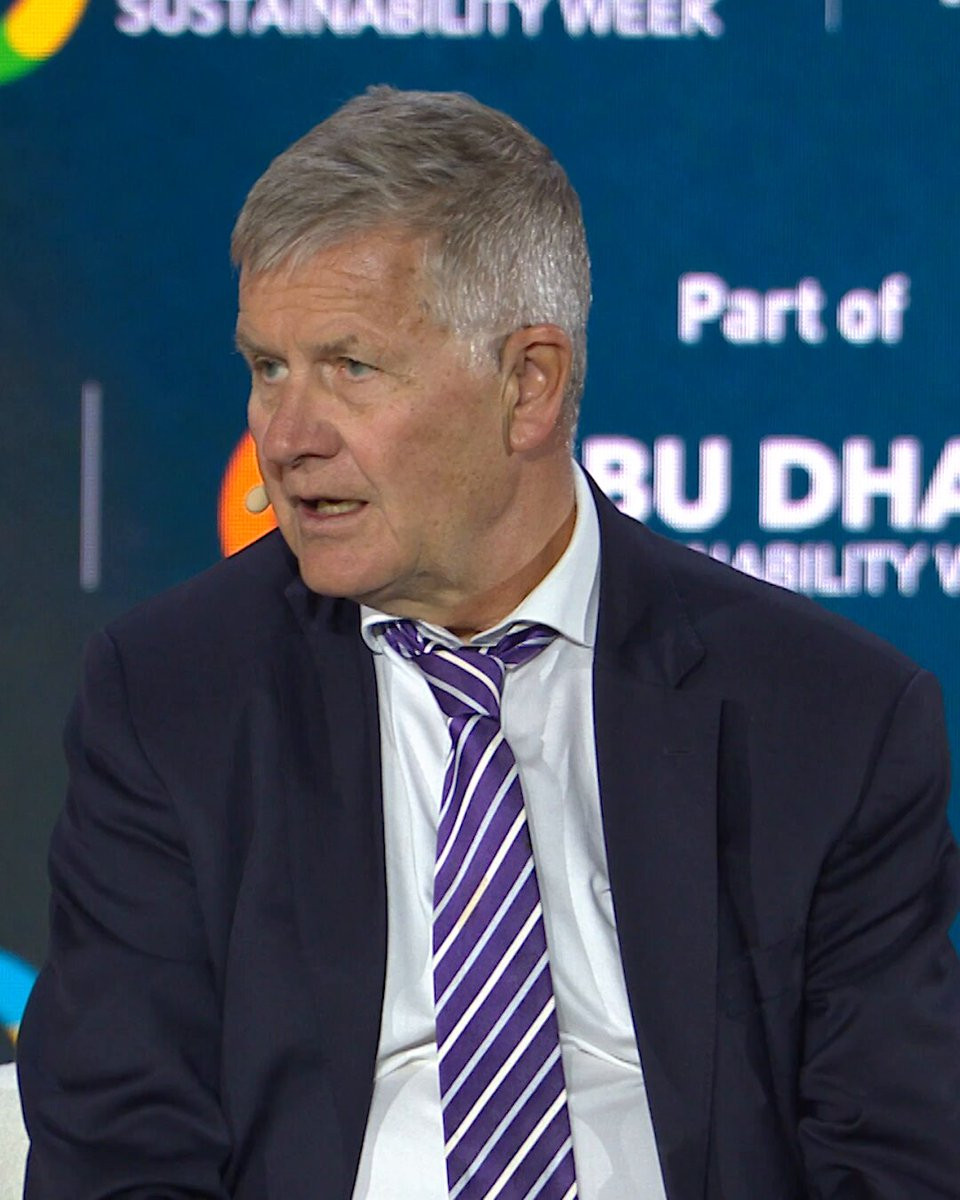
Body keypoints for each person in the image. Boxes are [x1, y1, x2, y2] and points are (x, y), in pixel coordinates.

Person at [17, 86, 960, 1200]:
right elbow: (119, 1151)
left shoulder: (829, 720)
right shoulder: (173, 696)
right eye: (268, 368)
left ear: (530, 386)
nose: (288, 436)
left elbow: (898, 1157)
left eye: (351, 368)